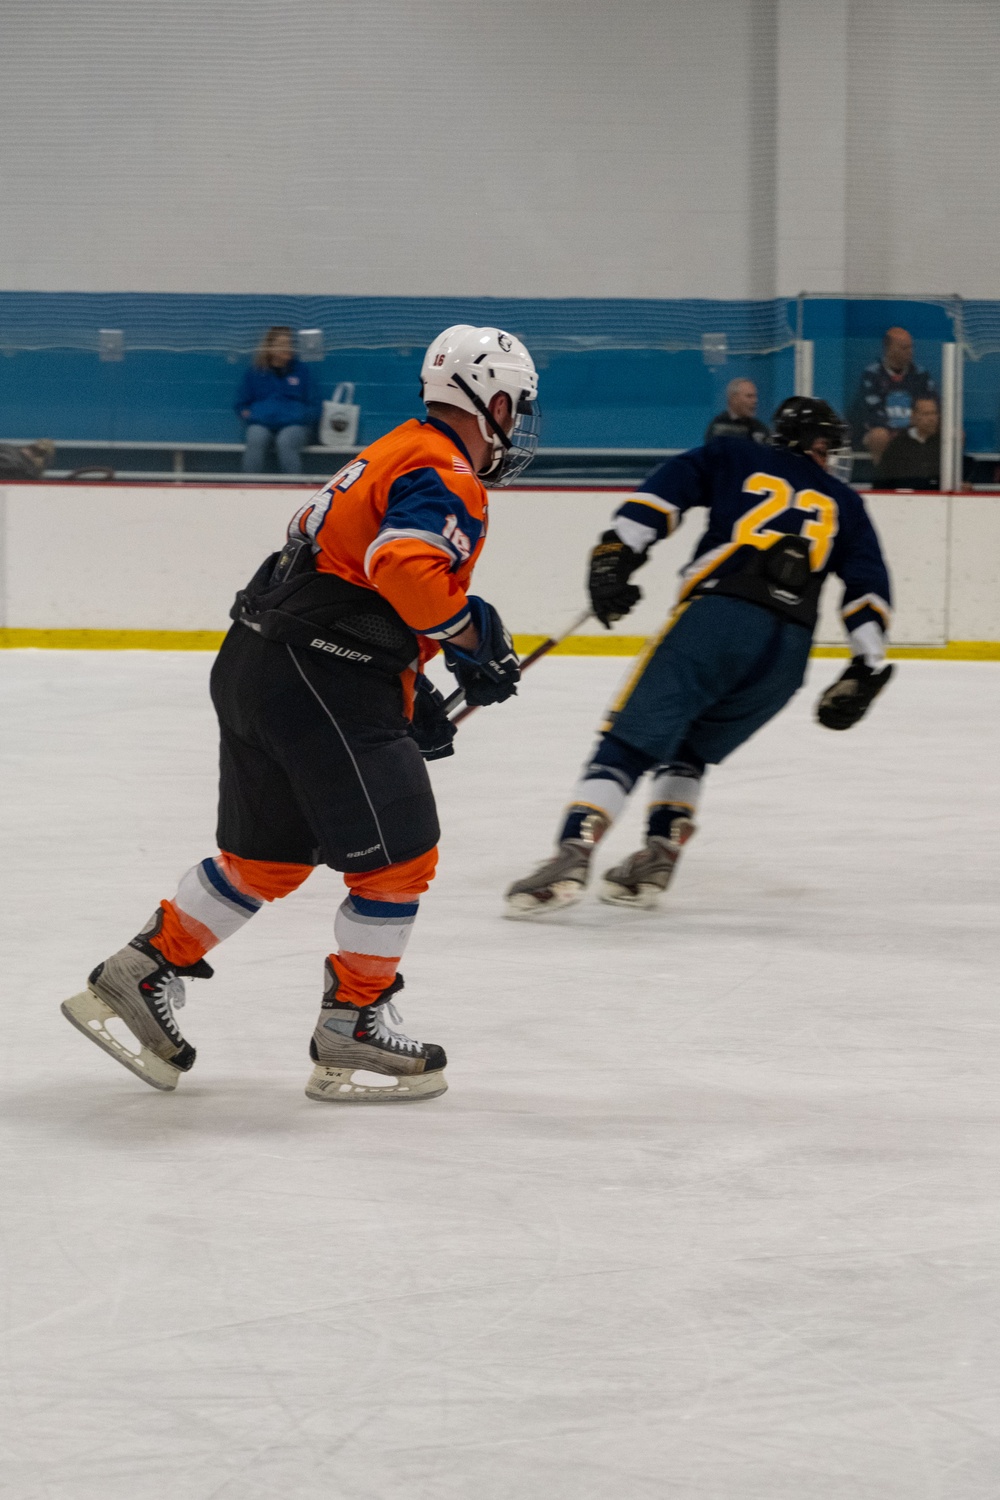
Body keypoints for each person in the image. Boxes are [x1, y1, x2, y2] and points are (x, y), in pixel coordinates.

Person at [62, 325, 540, 1103]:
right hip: (320, 676)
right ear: (488, 400)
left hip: (262, 663)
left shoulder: (390, 451)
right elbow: (403, 570)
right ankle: (354, 1023)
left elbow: (352, 581)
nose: (515, 424)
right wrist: (473, 632)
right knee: (401, 856)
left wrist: (410, 695)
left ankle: (138, 974)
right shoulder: (446, 468)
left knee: (269, 861)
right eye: (513, 406)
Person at [505, 397, 893, 917]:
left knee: (627, 742)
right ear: (818, 446)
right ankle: (658, 857)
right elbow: (868, 587)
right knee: (690, 750)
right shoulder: (845, 500)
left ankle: (572, 853)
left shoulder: (732, 453)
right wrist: (866, 665)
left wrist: (617, 554)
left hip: (719, 620)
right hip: (787, 654)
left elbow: (662, 499)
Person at [235, 326, 321, 474]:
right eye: (282, 344)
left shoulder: (302, 371)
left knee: (285, 441)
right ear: (270, 348)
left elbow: (315, 405)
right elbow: (241, 404)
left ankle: (294, 487)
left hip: (296, 426)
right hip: (262, 423)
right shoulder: (255, 372)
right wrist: (251, 415)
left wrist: (301, 416)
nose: (287, 348)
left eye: (289, 344)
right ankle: (249, 487)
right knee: (255, 437)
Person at [853, 327, 936, 462]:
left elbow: (932, 405)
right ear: (889, 349)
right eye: (904, 348)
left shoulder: (920, 375)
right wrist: (894, 429)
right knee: (879, 436)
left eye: (911, 347)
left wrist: (909, 429)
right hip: (884, 430)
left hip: (915, 429)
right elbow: (870, 412)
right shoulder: (872, 374)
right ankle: (883, 476)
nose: (910, 352)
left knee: (955, 434)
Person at [873, 394, 941, 488]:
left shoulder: (944, 444)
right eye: (926, 414)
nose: (932, 419)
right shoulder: (899, 445)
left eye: (934, 413)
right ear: (913, 416)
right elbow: (883, 479)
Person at [704, 378, 769, 444]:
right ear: (734, 399)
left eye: (755, 396)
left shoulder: (760, 428)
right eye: (749, 396)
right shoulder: (719, 426)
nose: (755, 401)